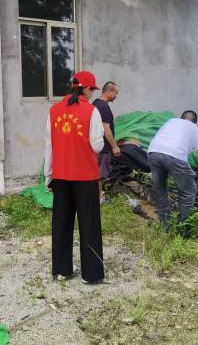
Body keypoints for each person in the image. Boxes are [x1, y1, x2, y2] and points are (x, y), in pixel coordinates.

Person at [44, 71, 105, 284]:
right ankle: (92, 274)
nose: (91, 94)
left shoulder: (54, 110)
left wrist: (48, 175)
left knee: (61, 223)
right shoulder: (92, 111)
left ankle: (62, 270)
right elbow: (97, 145)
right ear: (86, 89)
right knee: (89, 224)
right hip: (85, 176)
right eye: (92, 90)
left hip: (61, 176)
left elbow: (49, 145)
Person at [147, 110, 198, 229]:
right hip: (175, 155)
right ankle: (183, 229)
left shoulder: (171, 121)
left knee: (160, 192)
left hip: (153, 153)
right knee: (188, 192)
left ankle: (165, 227)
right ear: (195, 122)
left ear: (182, 118)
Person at [92, 81, 120, 203]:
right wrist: (114, 146)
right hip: (103, 147)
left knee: (96, 173)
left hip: (95, 145)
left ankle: (96, 195)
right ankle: (98, 199)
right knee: (101, 175)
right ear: (109, 92)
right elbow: (106, 128)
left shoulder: (95, 103)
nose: (116, 96)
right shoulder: (104, 107)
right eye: (116, 93)